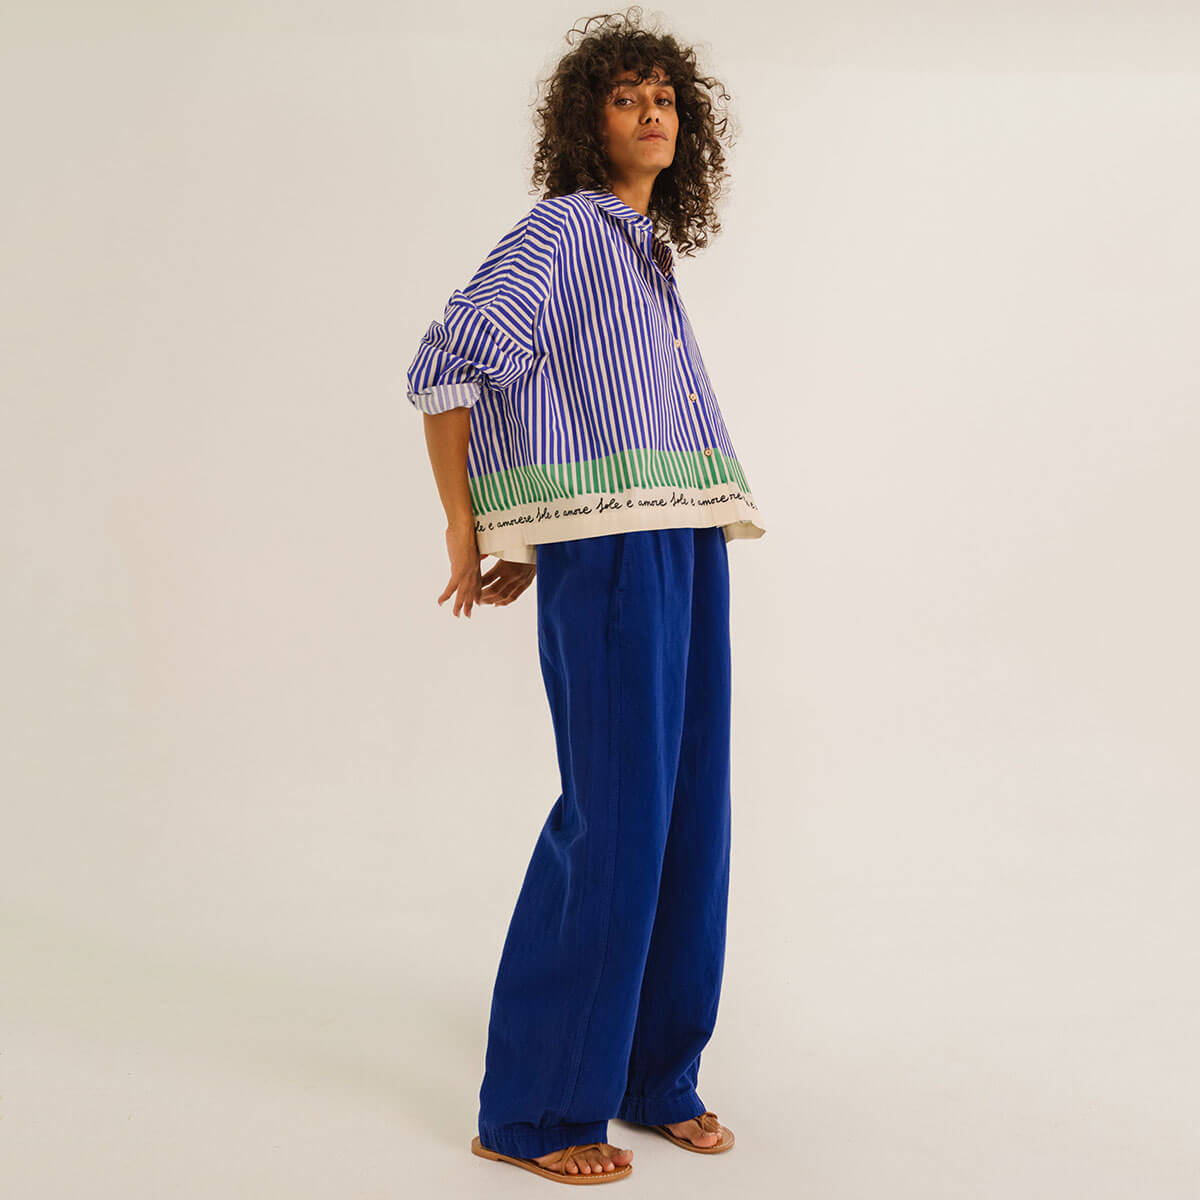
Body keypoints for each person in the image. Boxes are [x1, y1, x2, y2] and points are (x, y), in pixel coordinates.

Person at [405, 11, 765, 1185]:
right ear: (585, 121)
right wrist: (471, 522)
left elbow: (568, 404)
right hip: (615, 557)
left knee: (690, 817)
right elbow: (450, 364)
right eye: (625, 97)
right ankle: (535, 1110)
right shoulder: (562, 231)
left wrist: (529, 518)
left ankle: (655, 1076)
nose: (651, 112)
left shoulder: (642, 249)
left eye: (665, 97)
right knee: (615, 817)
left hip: (684, 536)